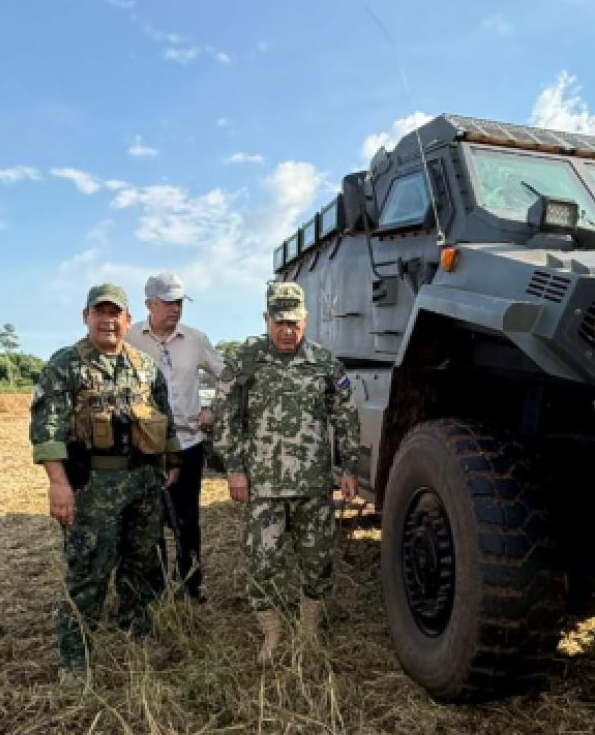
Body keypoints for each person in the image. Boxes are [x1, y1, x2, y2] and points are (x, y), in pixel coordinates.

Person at [30, 283, 180, 669]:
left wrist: (173, 460)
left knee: (142, 564)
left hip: (143, 483)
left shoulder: (144, 365)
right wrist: (58, 484)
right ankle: (76, 659)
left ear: (128, 320)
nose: (108, 321)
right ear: (86, 317)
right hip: (93, 487)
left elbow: (165, 416)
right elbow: (47, 429)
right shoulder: (66, 365)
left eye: (116, 314)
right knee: (88, 572)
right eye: (101, 312)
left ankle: (137, 638)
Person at [211, 280, 361, 664]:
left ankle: (308, 631)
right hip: (264, 487)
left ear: (305, 321)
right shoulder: (246, 361)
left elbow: (345, 416)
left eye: (293, 322)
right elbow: (225, 415)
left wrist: (349, 467)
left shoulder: (324, 362)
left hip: (313, 485)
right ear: (267, 320)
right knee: (263, 564)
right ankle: (272, 635)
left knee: (318, 562)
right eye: (279, 322)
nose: (287, 330)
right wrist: (234, 469)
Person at [128, 271, 228, 602]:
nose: (175, 309)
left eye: (180, 302)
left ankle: (190, 587)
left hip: (187, 445)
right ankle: (153, 591)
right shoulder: (129, 338)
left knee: (187, 521)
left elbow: (229, 377)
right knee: (148, 522)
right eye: (168, 302)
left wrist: (214, 410)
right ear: (150, 304)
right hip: (145, 449)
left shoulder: (196, 340)